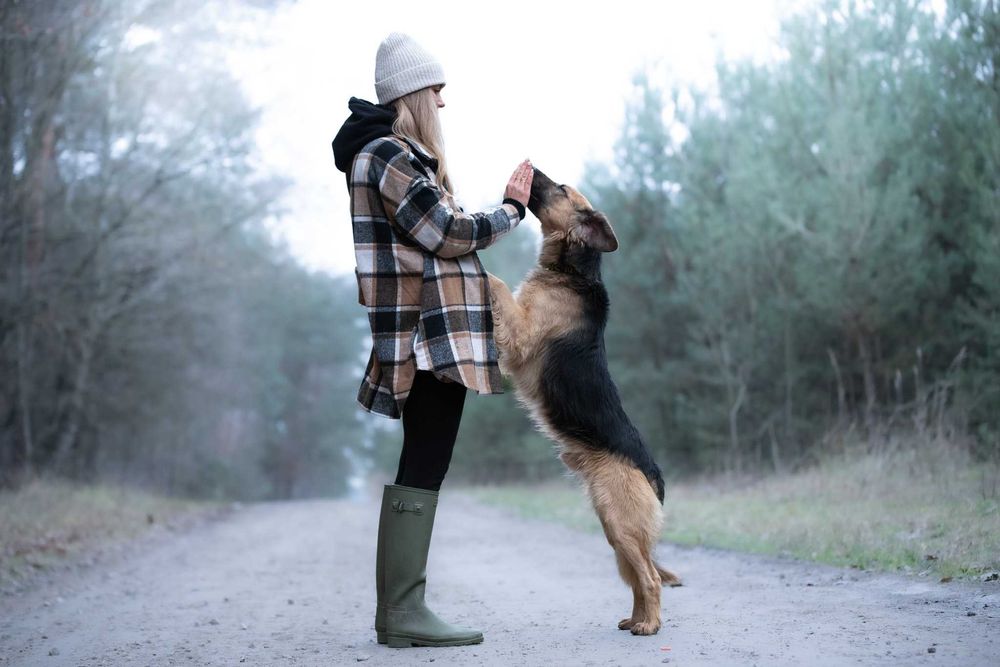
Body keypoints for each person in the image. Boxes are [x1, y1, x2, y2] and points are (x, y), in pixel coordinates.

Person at [331, 32, 532, 649]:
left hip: (430, 334)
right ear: (413, 93)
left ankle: (400, 611)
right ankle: (402, 613)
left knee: (425, 460)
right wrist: (511, 210)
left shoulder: (392, 155)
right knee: (425, 461)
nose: (442, 103)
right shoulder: (388, 155)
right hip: (426, 336)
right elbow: (445, 232)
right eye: (437, 90)